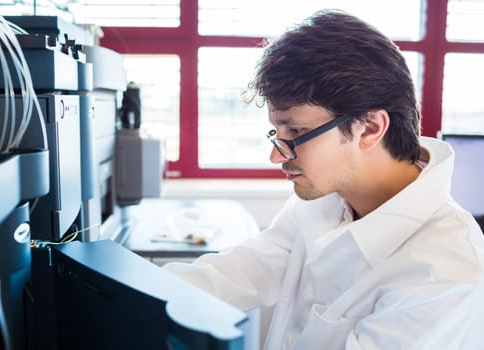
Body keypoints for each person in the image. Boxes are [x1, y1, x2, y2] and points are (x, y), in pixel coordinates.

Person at [163, 9, 484, 349]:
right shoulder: (328, 198)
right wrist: (127, 297)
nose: (276, 155)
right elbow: (237, 273)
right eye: (278, 132)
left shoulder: (444, 274)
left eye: (296, 130)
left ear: (370, 128)